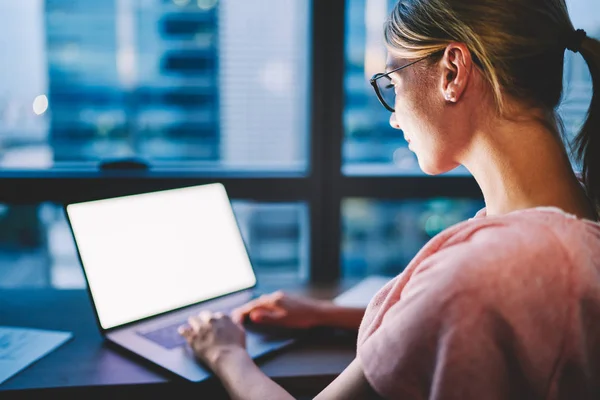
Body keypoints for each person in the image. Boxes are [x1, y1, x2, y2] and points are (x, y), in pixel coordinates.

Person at [178, 0, 600, 398]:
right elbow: (469, 314)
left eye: (392, 82)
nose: (395, 116)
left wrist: (225, 352)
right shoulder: (574, 213)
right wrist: (327, 315)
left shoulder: (483, 272)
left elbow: (465, 298)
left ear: (453, 72)